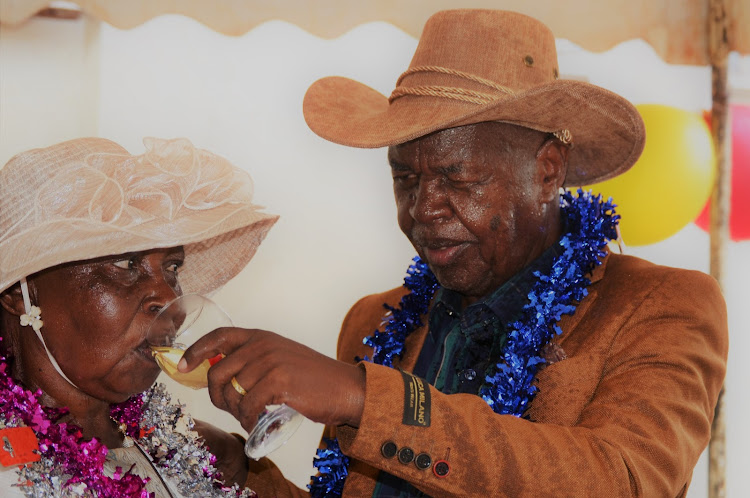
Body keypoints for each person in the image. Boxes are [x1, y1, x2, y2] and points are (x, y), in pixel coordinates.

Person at [180, 9, 728, 497]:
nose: (422, 209)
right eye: (404, 179)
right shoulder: (375, 322)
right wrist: (243, 477)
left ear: (547, 170)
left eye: (455, 177)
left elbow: (626, 481)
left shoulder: (660, 305)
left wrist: (365, 399)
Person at [0, 137, 278, 497]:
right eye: (125, 263)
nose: (168, 298)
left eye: (172, 267)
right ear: (19, 295)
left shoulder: (189, 452)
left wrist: (234, 459)